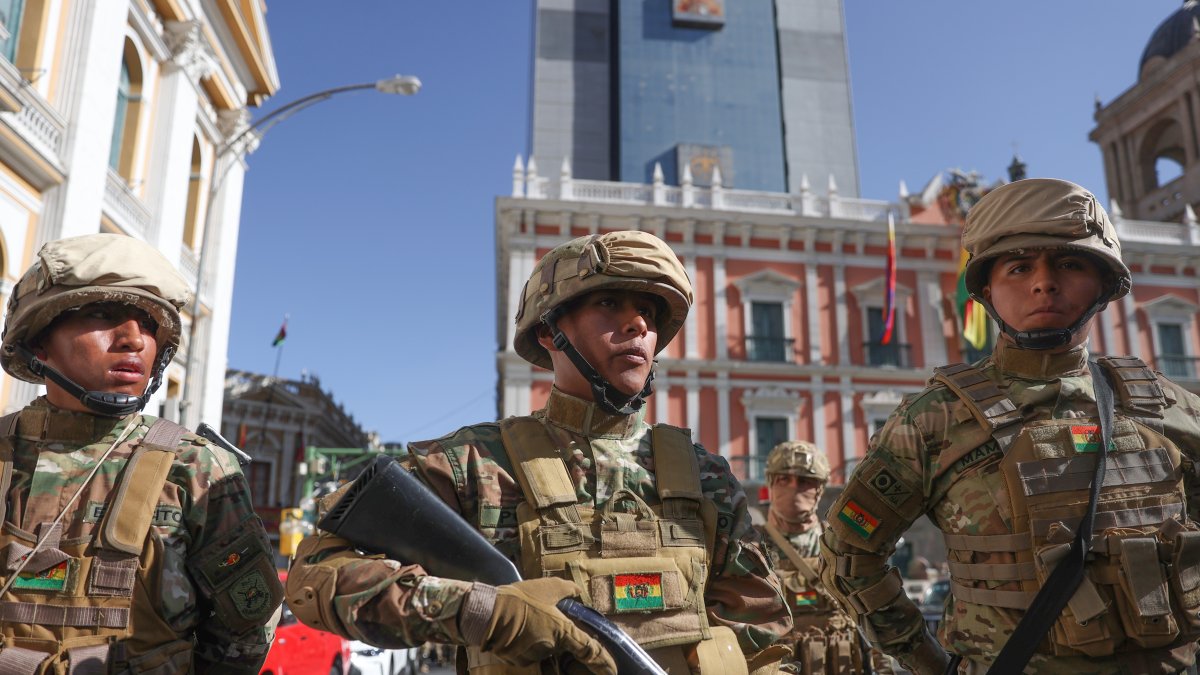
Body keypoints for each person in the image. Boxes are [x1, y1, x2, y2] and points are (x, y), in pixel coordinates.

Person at [286, 230, 792, 674]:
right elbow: (315, 574)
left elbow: (764, 637)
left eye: (650, 312)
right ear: (549, 331)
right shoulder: (474, 465)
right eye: (610, 304)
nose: (639, 325)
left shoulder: (704, 477)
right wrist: (481, 611)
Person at [818, 178, 1200, 674]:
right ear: (987, 290)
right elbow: (850, 560)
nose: (1044, 282)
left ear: (1103, 284)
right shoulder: (934, 420)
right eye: (1019, 267)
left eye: (1069, 263)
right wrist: (930, 662)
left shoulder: (1170, 409)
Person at [0, 233, 282, 673]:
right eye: (102, 314)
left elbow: (246, 628)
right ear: (39, 340)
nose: (133, 339)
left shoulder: (194, 468)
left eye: (149, 325)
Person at [757, 441, 893, 675]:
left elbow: (874, 618)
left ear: (819, 489)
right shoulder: (749, 546)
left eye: (805, 481)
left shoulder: (843, 544)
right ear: (770, 484)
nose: (794, 488)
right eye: (784, 480)